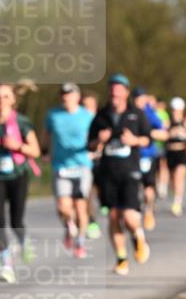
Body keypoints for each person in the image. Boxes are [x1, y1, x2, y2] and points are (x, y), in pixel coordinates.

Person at [88, 74, 152, 276]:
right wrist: (99, 140)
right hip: (108, 172)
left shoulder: (136, 114)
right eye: (111, 91)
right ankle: (121, 259)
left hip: (130, 170)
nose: (114, 94)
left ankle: (138, 237)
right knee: (114, 216)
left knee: (130, 217)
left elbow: (148, 139)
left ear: (126, 92)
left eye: (118, 91)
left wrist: (134, 140)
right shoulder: (101, 116)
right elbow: (89, 145)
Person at [0, 84, 41, 283]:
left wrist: (17, 146)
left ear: (13, 99)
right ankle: (6, 264)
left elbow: (35, 150)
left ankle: (23, 240)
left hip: (18, 175)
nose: (2, 100)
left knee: (16, 221)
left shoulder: (22, 122)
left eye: (6, 96)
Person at [45, 82, 95, 258]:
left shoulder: (87, 115)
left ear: (77, 97)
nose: (66, 97)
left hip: (82, 165)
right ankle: (69, 224)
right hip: (61, 166)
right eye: (63, 94)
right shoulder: (53, 115)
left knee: (81, 207)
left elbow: (94, 137)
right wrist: (45, 151)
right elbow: (47, 135)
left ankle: (80, 243)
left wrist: (95, 149)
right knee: (63, 207)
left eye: (69, 94)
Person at [133, 87, 169, 231]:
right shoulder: (129, 112)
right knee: (134, 186)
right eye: (136, 99)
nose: (139, 101)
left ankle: (149, 209)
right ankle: (137, 210)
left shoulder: (150, 113)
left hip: (148, 155)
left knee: (148, 187)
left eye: (141, 98)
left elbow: (162, 131)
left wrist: (148, 134)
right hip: (132, 156)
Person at [165, 96, 186, 217]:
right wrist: (169, 134)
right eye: (173, 110)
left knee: (179, 177)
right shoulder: (168, 122)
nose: (175, 113)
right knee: (172, 180)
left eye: (177, 110)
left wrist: (184, 135)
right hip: (170, 152)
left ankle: (177, 203)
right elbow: (161, 134)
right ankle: (175, 197)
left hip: (181, 152)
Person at [81, 92, 103, 240]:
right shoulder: (77, 120)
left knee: (102, 191)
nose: (87, 109)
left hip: (102, 161)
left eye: (90, 106)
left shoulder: (101, 120)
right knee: (87, 193)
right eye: (84, 106)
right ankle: (91, 221)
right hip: (84, 162)